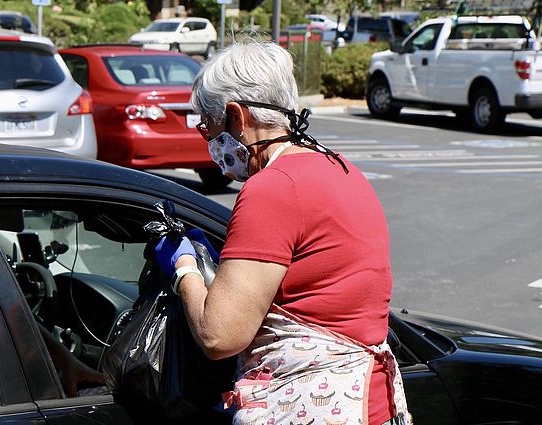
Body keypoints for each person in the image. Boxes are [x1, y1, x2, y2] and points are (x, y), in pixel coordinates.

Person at [154, 40, 411, 425]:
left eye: (208, 128)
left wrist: (184, 268)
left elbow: (219, 336)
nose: (210, 143)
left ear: (237, 118)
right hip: (368, 404)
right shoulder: (338, 168)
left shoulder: (273, 189)